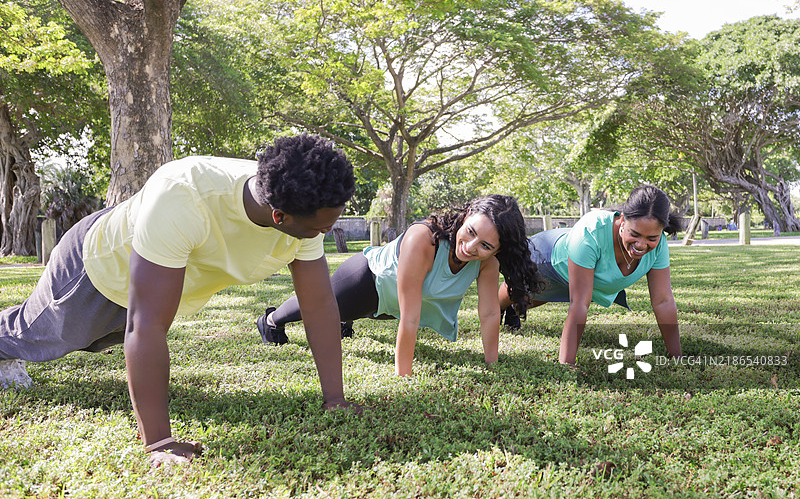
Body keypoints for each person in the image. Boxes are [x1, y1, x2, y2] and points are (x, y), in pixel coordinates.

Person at [0, 133, 357, 466]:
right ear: (279, 216)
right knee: (40, 338)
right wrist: (159, 443)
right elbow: (147, 325)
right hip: (98, 267)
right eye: (321, 229)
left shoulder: (303, 200)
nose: (326, 233)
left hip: (155, 279)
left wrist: (335, 399)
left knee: (94, 343)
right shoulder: (185, 196)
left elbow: (319, 305)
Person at [256, 195, 544, 376]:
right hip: (365, 282)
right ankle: (270, 320)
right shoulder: (425, 238)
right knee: (318, 305)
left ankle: (344, 321)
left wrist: (491, 364)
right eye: (470, 232)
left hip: (388, 306)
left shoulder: (487, 261)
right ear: (466, 214)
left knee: (347, 314)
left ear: (497, 250)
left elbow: (491, 313)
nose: (470, 247)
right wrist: (403, 378)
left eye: (485, 245)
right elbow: (410, 319)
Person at [499, 185, 683, 365]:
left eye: (651, 238)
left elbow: (663, 301)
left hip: (579, 275)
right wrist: (566, 365)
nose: (642, 245)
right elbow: (579, 304)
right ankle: (499, 309)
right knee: (516, 291)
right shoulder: (592, 231)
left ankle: (514, 310)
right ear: (622, 220)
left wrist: (677, 357)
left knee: (541, 296)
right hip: (548, 258)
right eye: (635, 234)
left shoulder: (659, 245)